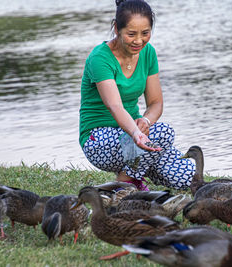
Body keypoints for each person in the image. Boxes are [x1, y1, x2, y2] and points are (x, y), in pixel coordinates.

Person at [79, 0, 195, 191]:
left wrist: (146, 122)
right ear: (117, 28)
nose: (139, 41)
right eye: (131, 34)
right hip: (98, 140)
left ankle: (141, 167)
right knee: (164, 132)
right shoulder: (100, 58)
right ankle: (125, 181)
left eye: (145, 33)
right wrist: (135, 133)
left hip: (135, 137)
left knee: (188, 178)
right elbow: (115, 106)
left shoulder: (148, 53)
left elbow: (156, 103)